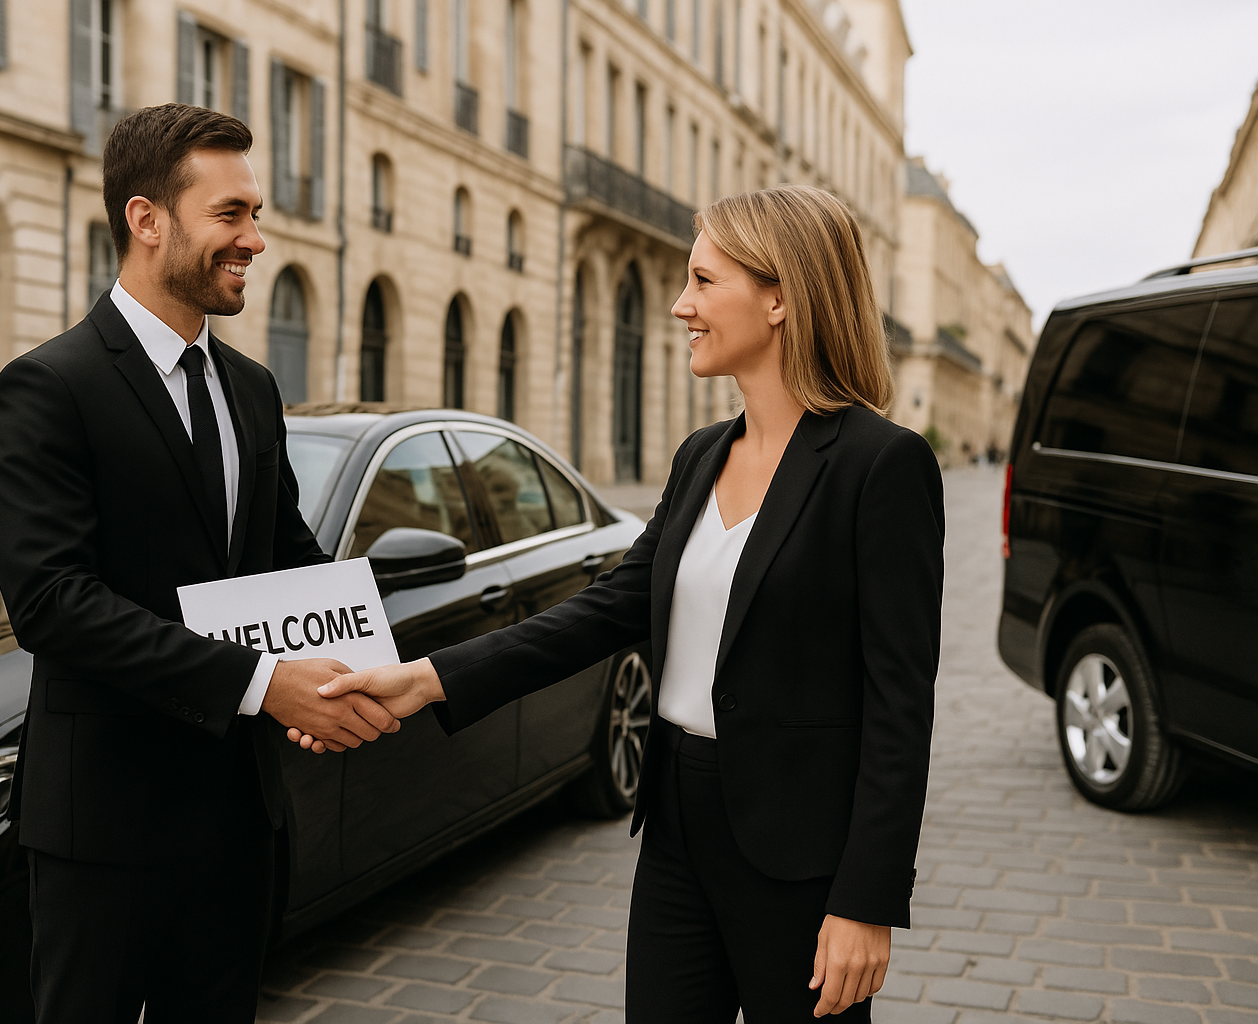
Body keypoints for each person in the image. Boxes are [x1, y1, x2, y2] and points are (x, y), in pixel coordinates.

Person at [309, 185, 944, 1020]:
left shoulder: (880, 466)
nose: (681, 305)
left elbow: (900, 704)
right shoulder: (701, 456)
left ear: (781, 295)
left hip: (800, 853)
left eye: (704, 282)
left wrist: (866, 899)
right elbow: (605, 608)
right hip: (677, 825)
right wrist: (429, 677)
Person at [0, 104, 398, 1024]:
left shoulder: (250, 387)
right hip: (105, 820)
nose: (255, 238)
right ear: (147, 219)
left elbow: (283, 557)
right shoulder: (50, 386)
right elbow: (53, 603)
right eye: (232, 214)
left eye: (256, 213)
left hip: (237, 817)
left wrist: (359, 666)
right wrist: (263, 683)